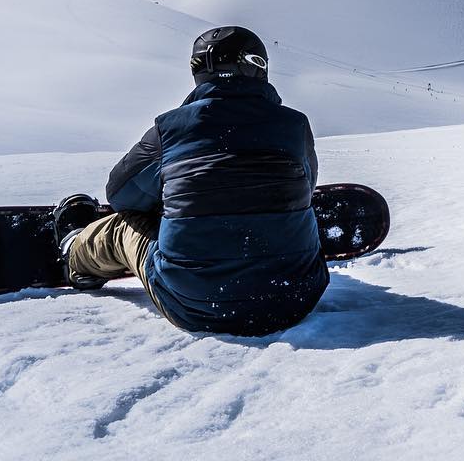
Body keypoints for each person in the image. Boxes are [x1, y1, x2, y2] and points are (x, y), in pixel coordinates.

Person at [53, 26, 328, 337]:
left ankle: (76, 252)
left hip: (197, 305)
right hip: (296, 299)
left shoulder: (170, 129)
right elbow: (309, 185)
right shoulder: (295, 125)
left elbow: (121, 196)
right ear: (258, 67)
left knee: (121, 227)